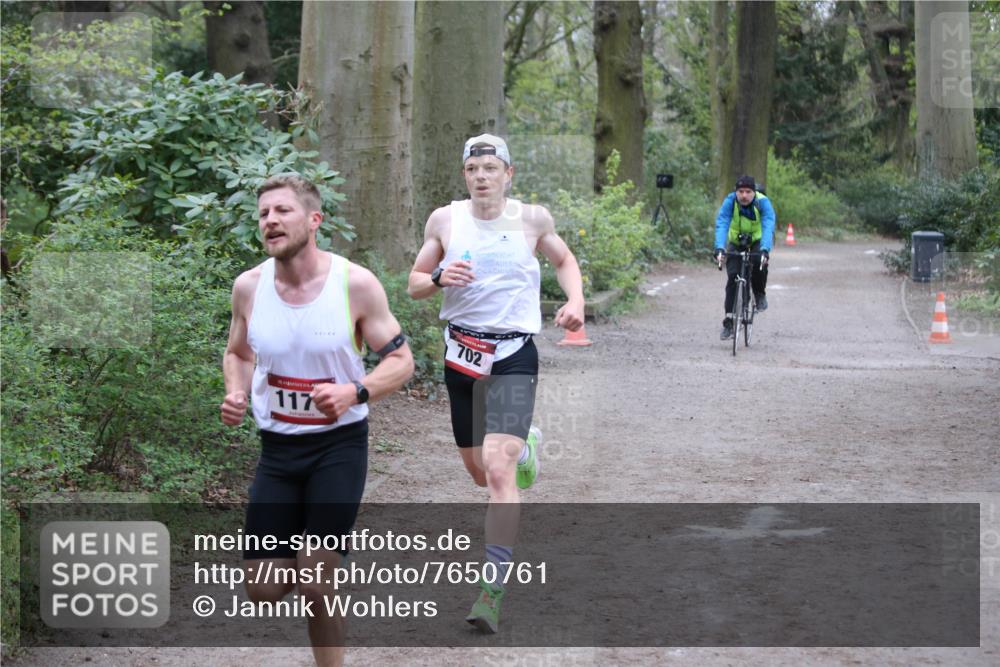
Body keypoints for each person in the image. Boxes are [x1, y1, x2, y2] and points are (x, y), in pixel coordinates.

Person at [220, 173, 414, 667]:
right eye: (264, 213)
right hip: (278, 451)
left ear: (313, 220)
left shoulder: (355, 283)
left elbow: (401, 362)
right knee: (263, 588)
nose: (270, 221)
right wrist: (236, 390)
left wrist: (356, 391)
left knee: (314, 576)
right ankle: (315, 559)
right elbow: (238, 352)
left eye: (282, 211)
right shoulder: (249, 287)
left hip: (338, 447)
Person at [407, 134, 585, 633]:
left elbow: (564, 261)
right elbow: (414, 284)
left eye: (490, 167)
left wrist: (575, 302)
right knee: (478, 473)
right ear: (464, 175)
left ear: (508, 174)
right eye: (472, 168)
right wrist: (440, 276)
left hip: (512, 352)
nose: (481, 175)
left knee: (497, 468)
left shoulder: (532, 219)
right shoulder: (445, 220)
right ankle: (526, 447)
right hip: (461, 355)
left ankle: (491, 589)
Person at [714, 175, 776, 340]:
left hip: (757, 241)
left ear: (753, 192)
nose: (744, 195)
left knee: (759, 263)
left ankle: (759, 293)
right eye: (740, 191)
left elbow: (768, 225)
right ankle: (729, 320)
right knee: (733, 276)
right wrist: (719, 247)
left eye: (748, 191)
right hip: (736, 241)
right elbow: (722, 223)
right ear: (736, 191)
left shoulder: (762, 203)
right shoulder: (730, 201)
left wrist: (764, 249)